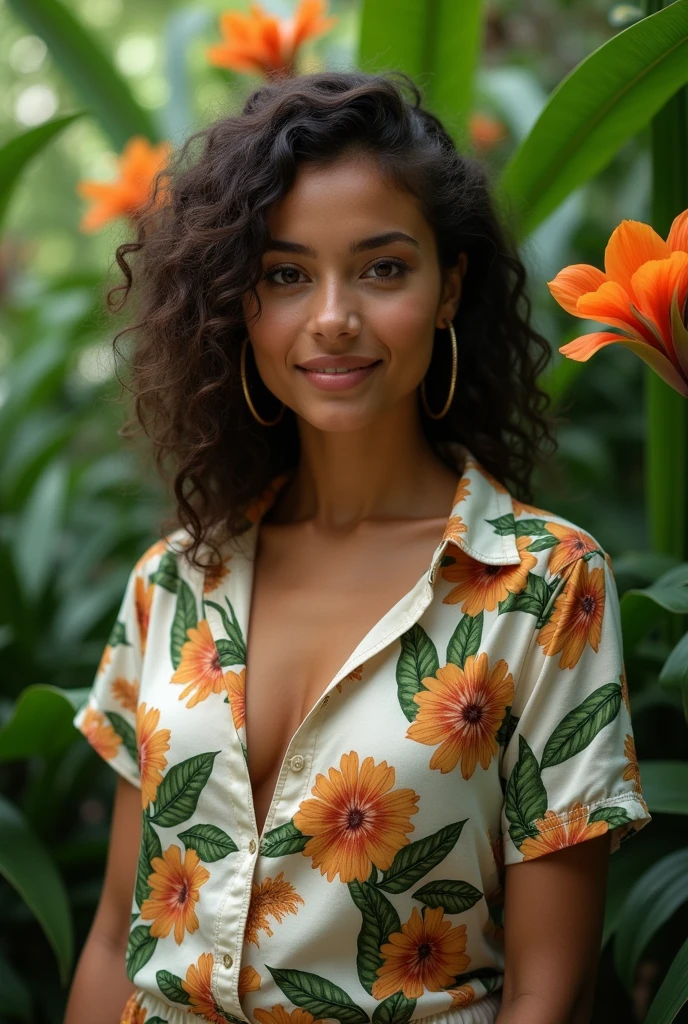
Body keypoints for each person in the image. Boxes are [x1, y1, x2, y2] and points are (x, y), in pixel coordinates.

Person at [64, 70, 651, 1024]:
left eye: (381, 268)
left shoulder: (541, 588)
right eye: (286, 274)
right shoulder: (174, 581)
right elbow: (112, 939)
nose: (332, 316)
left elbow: (551, 993)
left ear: (449, 287)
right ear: (239, 303)